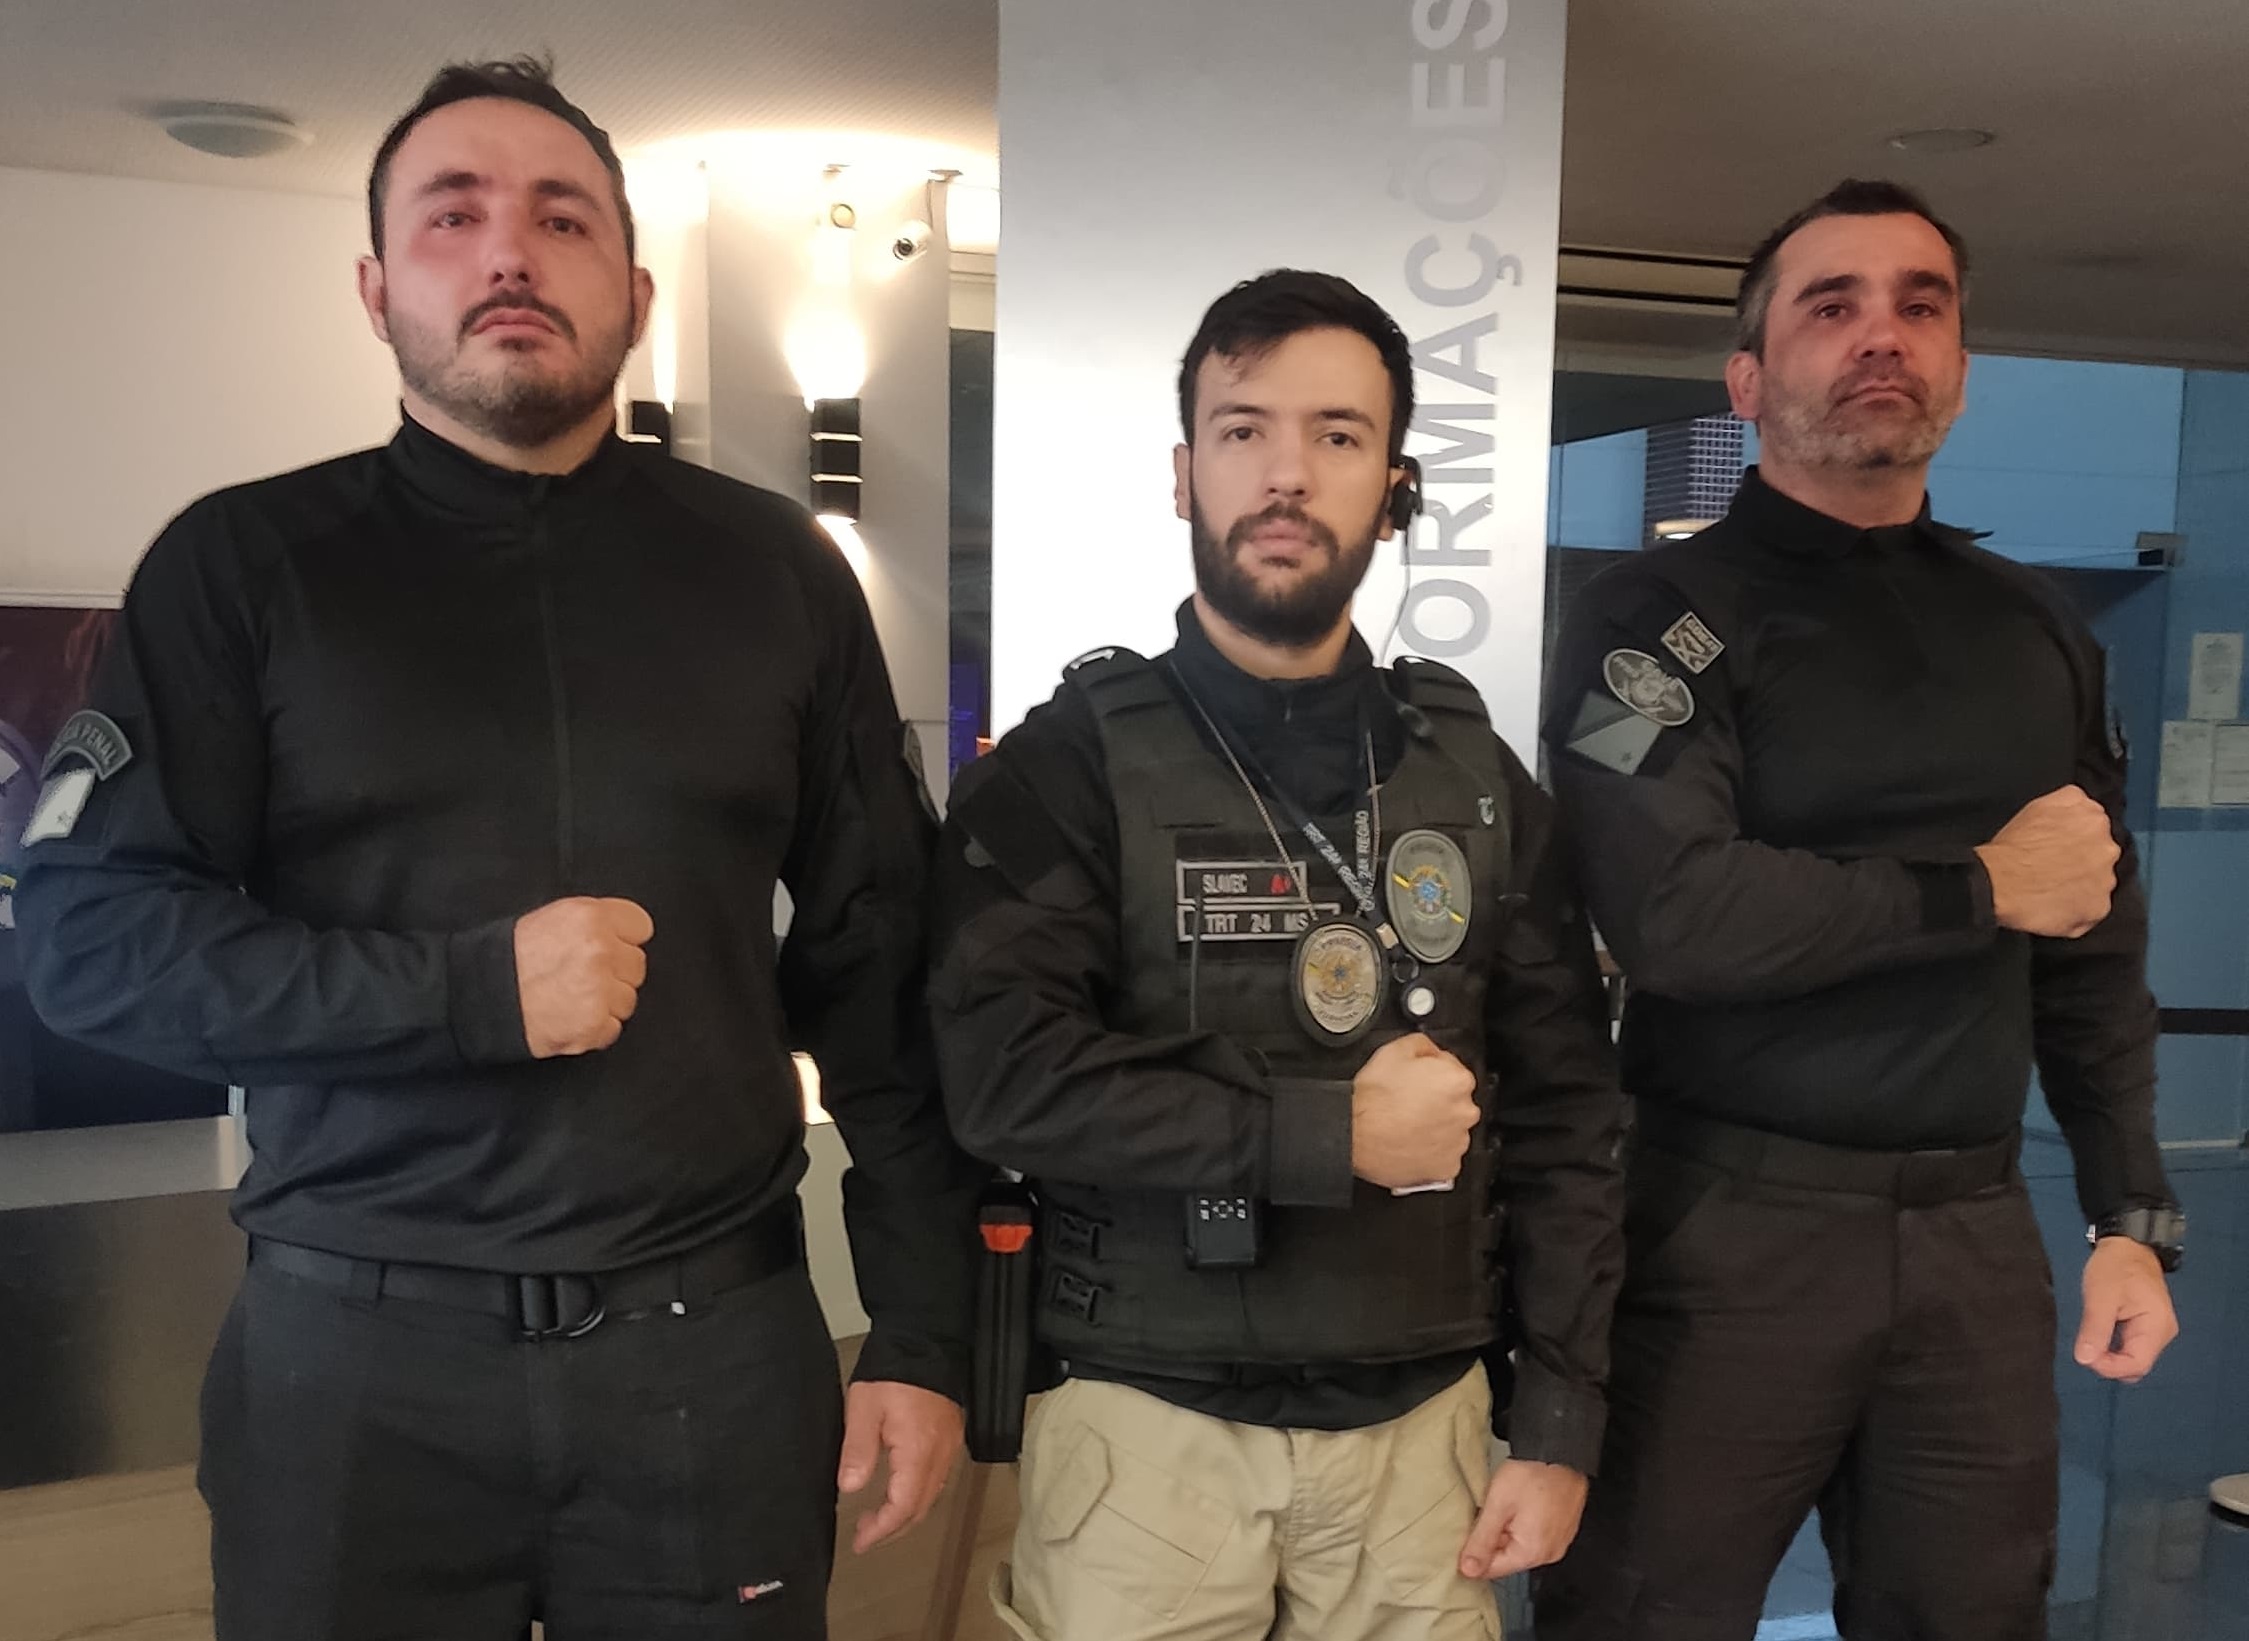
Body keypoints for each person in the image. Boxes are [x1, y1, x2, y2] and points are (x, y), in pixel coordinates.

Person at [13, 57, 979, 1641]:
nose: (510, 252)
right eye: (452, 217)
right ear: (377, 288)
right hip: (354, 1362)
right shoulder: (244, 565)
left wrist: (927, 1331)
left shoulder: (775, 572)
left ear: (638, 295)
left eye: (562, 218)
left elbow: (884, 968)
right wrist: (467, 993)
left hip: (710, 1356)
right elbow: (90, 943)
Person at [928, 269, 1628, 1641]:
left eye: (1337, 434)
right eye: (1243, 430)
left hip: (1423, 1442)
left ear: (1395, 484)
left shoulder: (1474, 775)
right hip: (1145, 1438)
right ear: (1182, 473)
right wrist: (1323, 1134)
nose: (1287, 474)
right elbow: (1003, 1081)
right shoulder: (1068, 765)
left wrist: (1558, 1418)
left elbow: (1568, 1119)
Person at [1533, 179, 2183, 1640]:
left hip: (1973, 1238)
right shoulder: (1653, 622)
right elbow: (1678, 917)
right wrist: (1980, 887)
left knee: (1976, 1618)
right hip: (1723, 1230)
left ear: (1959, 367)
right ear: (1748, 381)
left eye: (1919, 305)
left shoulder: (2037, 630)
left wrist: (2131, 1211)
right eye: (1831, 306)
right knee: (1641, 1617)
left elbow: (2091, 941)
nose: (1881, 334)